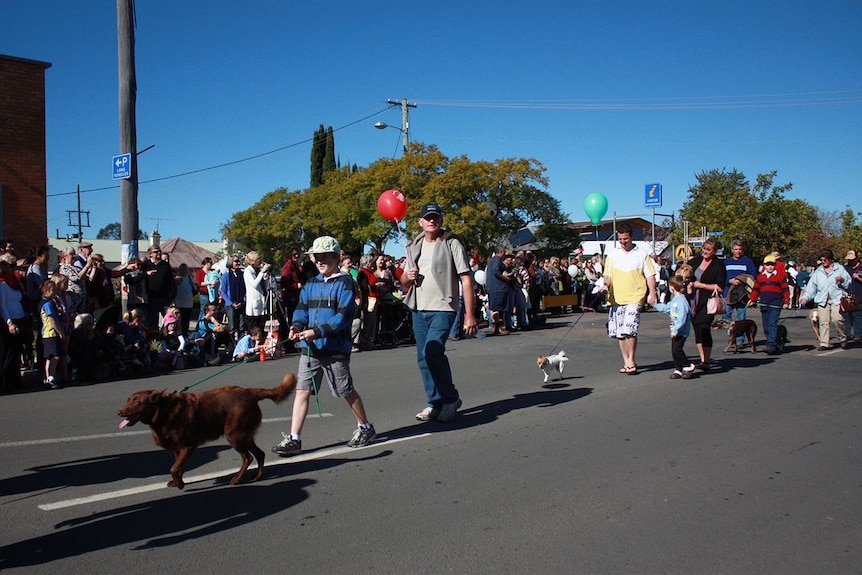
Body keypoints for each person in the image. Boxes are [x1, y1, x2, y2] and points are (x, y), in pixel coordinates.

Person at [271, 235, 376, 456]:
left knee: (344, 390)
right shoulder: (311, 283)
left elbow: (342, 316)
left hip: (335, 347)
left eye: (325, 257)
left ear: (336, 257)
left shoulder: (346, 282)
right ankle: (294, 438)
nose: (320, 261)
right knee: (302, 390)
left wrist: (316, 331)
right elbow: (301, 308)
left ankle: (365, 426)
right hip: (310, 349)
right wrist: (296, 326)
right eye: (317, 257)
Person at [399, 203, 477, 422]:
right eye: (427, 217)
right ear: (420, 222)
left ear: (440, 220)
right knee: (423, 358)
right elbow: (404, 280)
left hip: (443, 307)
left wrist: (469, 315)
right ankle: (434, 402)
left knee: (433, 352)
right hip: (419, 308)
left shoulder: (451, 243)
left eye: (435, 217)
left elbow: (466, 279)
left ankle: (450, 398)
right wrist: (408, 276)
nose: (431, 221)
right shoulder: (415, 245)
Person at [602, 223, 657, 375]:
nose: (623, 242)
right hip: (616, 298)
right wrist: (605, 284)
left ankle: (631, 359)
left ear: (631, 237)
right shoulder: (612, 255)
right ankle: (626, 361)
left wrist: (652, 293)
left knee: (629, 330)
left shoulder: (641, 255)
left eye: (625, 239)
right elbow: (607, 275)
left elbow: (650, 275)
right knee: (620, 332)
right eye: (620, 239)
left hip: (635, 296)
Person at [687, 237, 727, 371]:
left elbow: (720, 287)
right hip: (692, 300)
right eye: (704, 248)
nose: (705, 251)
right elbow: (682, 274)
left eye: (708, 250)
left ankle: (706, 360)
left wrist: (701, 285)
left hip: (707, 301)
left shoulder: (718, 265)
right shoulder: (695, 261)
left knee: (704, 326)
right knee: (697, 328)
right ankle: (702, 359)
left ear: (715, 251)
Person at [800, 248, 852, 350]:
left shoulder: (839, 269)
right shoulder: (818, 271)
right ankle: (824, 343)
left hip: (837, 298)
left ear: (830, 259)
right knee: (823, 321)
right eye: (821, 260)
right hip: (822, 299)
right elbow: (811, 286)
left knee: (837, 319)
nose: (823, 262)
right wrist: (805, 298)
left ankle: (843, 337)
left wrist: (842, 280)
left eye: (825, 260)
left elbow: (848, 282)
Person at [653, 275, 696, 379]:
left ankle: (687, 366)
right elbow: (667, 308)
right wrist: (655, 305)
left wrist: (676, 329)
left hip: (681, 331)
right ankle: (679, 369)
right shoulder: (675, 300)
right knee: (674, 350)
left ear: (672, 287)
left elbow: (682, 317)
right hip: (675, 330)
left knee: (677, 350)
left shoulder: (682, 301)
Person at [748, 254, 790, 355]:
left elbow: (785, 290)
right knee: (766, 326)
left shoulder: (780, 276)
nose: (770, 267)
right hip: (764, 304)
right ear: (764, 266)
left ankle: (771, 345)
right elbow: (756, 290)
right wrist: (752, 299)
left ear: (775, 265)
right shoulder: (761, 277)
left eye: (772, 265)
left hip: (775, 304)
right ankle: (773, 342)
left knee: (772, 324)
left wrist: (786, 301)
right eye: (768, 265)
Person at [0, 253, 29, 391]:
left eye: (15, 266)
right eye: (11, 266)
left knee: (17, 351)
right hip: (10, 321)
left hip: (20, 318)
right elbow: (2, 306)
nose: (13, 269)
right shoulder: (2, 283)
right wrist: (9, 323)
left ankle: (16, 381)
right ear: (4, 266)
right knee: (9, 352)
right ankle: (7, 382)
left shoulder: (15, 281)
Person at [723, 239, 757, 345]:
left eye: (740, 249)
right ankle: (731, 337)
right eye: (736, 249)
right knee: (726, 316)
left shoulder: (747, 261)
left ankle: (740, 341)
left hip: (742, 295)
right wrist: (729, 280)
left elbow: (753, 276)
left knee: (741, 318)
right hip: (728, 293)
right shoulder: (726, 262)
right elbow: (721, 276)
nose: (738, 251)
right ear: (732, 250)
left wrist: (742, 280)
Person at [37, 280, 63, 389]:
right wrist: (60, 332)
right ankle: (50, 377)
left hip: (48, 333)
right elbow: (51, 320)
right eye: (53, 290)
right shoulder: (46, 304)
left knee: (50, 356)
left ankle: (49, 377)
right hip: (50, 333)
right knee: (54, 356)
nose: (55, 292)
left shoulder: (50, 302)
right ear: (46, 291)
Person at [142, 245, 175, 329]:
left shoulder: (166, 265)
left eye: (159, 251)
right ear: (150, 254)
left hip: (165, 298)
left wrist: (172, 297)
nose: (159, 253)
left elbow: (170, 281)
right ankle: (155, 338)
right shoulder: (145, 265)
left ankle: (167, 337)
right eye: (156, 252)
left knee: (169, 319)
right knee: (153, 321)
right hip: (151, 298)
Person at [485, 246, 514, 335]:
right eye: (504, 253)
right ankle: (499, 326)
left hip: (495, 287)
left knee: (496, 307)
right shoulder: (496, 260)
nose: (505, 255)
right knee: (497, 308)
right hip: (497, 288)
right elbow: (495, 271)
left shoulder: (494, 260)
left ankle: (497, 327)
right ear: (501, 252)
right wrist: (505, 278)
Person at [243, 251, 272, 333]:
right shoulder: (248, 271)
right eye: (258, 259)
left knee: (261, 329)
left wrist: (264, 276)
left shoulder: (256, 270)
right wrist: (262, 272)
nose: (260, 261)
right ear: (253, 260)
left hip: (260, 303)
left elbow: (262, 284)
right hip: (253, 305)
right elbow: (254, 284)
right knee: (253, 330)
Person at [220, 255, 246, 340]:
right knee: (232, 326)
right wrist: (231, 303)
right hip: (230, 304)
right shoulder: (226, 275)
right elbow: (223, 292)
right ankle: (231, 344)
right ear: (230, 262)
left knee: (241, 325)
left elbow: (243, 289)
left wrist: (242, 302)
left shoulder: (241, 274)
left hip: (240, 303)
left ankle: (240, 342)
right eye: (236, 261)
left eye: (238, 261)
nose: (238, 263)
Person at [842, 249, 862, 343]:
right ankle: (848, 334)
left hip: (859, 294)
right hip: (847, 294)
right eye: (849, 259)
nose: (850, 261)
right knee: (846, 315)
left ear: (856, 258)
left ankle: (858, 334)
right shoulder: (845, 268)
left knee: (857, 315)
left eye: (852, 259)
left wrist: (858, 278)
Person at [173, 263, 196, 336]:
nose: (183, 271)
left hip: (188, 303)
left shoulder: (189, 278)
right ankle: (179, 334)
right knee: (179, 320)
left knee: (186, 320)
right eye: (182, 269)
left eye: (185, 269)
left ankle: (185, 334)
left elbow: (195, 288)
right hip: (179, 303)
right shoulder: (177, 278)